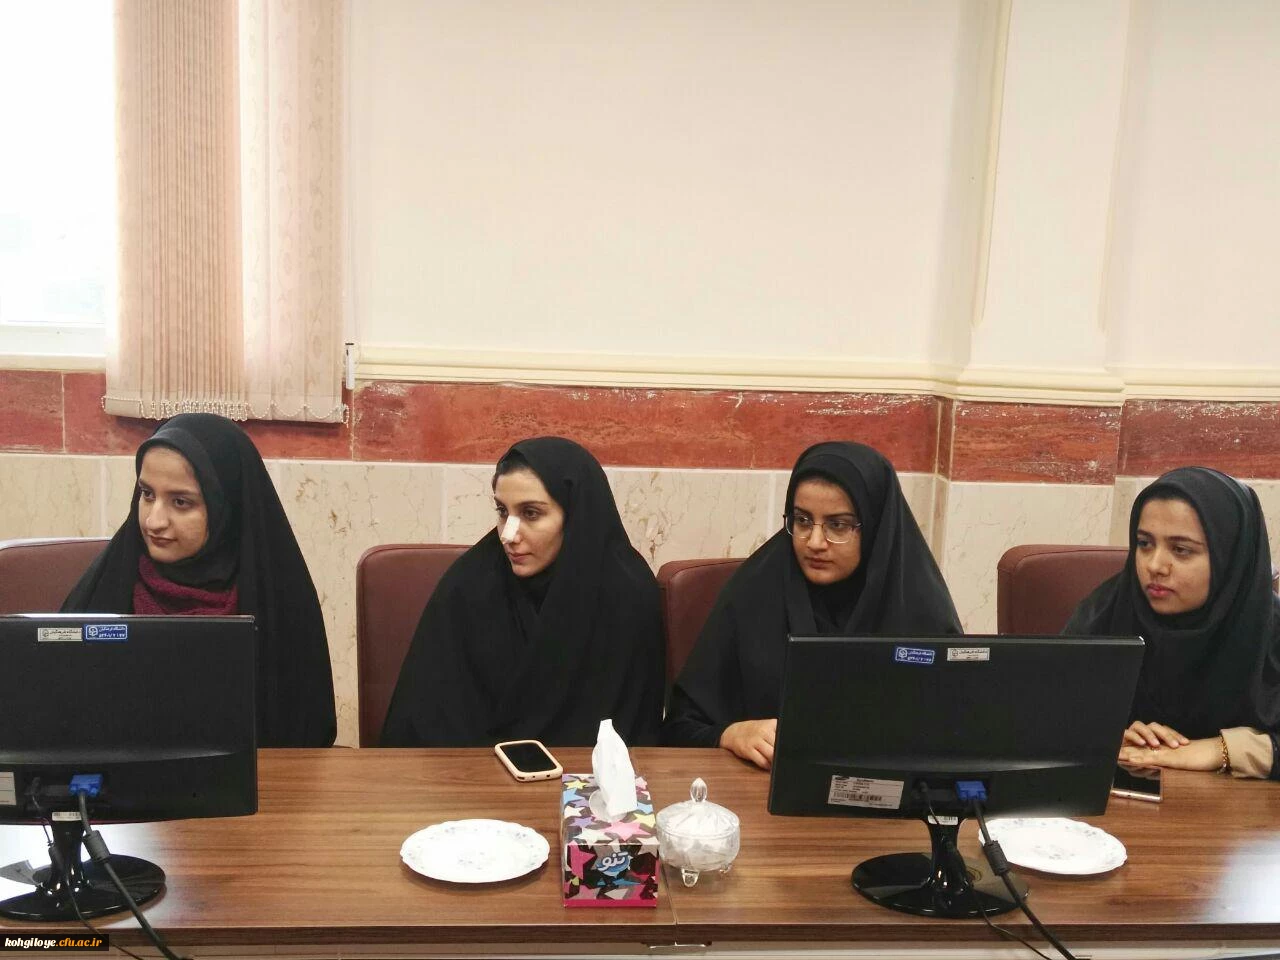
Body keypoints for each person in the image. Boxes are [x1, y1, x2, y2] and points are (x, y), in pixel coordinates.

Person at [661, 441, 961, 768]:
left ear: (875, 526)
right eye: (803, 520)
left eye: (838, 525)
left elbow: (959, 737)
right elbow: (679, 727)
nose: (814, 542)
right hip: (762, 791)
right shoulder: (755, 592)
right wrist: (730, 734)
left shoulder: (918, 609)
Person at [62, 413, 336, 748]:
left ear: (226, 507)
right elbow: (59, 720)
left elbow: (307, 734)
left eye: (181, 502)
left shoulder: (278, 600)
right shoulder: (106, 588)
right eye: (147, 494)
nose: (153, 521)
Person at [381, 436, 664, 747]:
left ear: (576, 516)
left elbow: (635, 738)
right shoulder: (469, 586)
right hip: (470, 771)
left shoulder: (628, 594)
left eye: (531, 514)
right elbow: (422, 725)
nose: (508, 535)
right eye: (503, 512)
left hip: (591, 776)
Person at [1065, 466, 1279, 780]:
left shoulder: (1270, 631)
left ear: (1230, 557)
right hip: (1118, 804)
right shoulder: (1105, 614)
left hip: (1240, 810)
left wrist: (1219, 749)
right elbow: (1041, 718)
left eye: (1181, 550)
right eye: (1144, 543)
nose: (1155, 566)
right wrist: (1105, 740)